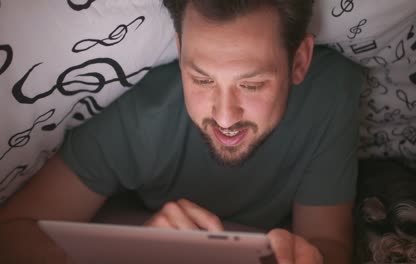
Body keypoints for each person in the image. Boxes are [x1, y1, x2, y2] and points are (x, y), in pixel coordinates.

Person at [0, 0, 361, 263]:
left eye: (251, 85)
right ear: (179, 50)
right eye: (201, 79)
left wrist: (305, 255)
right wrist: (132, 251)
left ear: (299, 62)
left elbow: (327, 240)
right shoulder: (137, 116)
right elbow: (11, 231)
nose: (223, 117)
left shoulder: (329, 92)